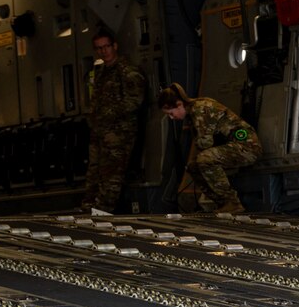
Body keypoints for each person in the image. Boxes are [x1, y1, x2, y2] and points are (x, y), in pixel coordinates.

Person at [157, 84, 257, 214]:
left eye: (171, 113)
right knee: (193, 166)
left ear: (179, 104)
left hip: (247, 146)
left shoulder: (200, 109)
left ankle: (232, 203)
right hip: (233, 147)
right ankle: (223, 203)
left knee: (204, 159)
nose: (172, 117)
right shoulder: (192, 112)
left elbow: (205, 143)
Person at [82, 28, 147, 211]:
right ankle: (88, 208)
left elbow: (135, 101)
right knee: (94, 172)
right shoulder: (102, 72)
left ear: (115, 46)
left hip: (119, 132)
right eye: (99, 48)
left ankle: (103, 211)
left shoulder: (128, 71)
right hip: (100, 131)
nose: (103, 51)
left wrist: (108, 115)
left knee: (111, 175)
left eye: (106, 46)